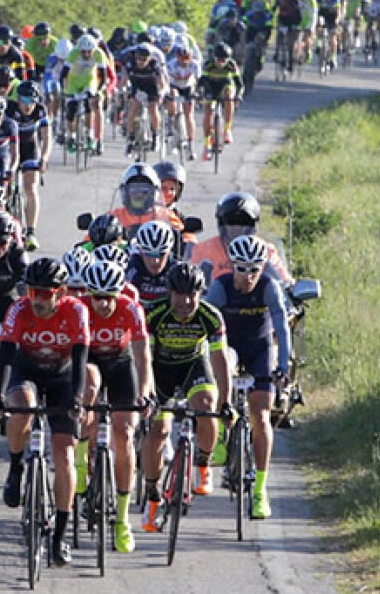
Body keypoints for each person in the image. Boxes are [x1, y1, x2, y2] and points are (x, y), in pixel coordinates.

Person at [0, 257, 89, 567]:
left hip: (63, 377)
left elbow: (80, 359)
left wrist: (77, 399)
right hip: (27, 371)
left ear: (61, 293)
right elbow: (5, 357)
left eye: (44, 294)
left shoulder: (76, 311)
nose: (36, 300)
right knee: (21, 406)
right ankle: (15, 467)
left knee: (64, 457)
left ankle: (60, 536)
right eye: (32, 292)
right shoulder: (18, 309)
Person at [140, 262, 231, 533]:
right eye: (180, 295)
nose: (186, 302)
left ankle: (203, 464)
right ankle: (152, 494)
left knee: (206, 404)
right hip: (161, 370)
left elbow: (220, 360)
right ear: (169, 293)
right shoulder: (154, 314)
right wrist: (147, 394)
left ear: (201, 293)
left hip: (194, 366)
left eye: (192, 295)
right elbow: (145, 358)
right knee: (159, 430)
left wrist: (226, 402)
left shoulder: (210, 316)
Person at [205, 236, 292, 519]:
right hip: (229, 345)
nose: (249, 276)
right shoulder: (221, 287)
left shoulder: (269, 287)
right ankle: (222, 432)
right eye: (242, 269)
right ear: (232, 266)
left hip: (259, 347)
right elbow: (205, 326)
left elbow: (281, 327)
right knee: (224, 368)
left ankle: (260, 491)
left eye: (255, 269)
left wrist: (283, 367)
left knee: (262, 416)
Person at [76, 260, 152, 552]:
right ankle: (81, 456)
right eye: (98, 296)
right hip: (90, 362)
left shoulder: (131, 308)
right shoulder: (79, 307)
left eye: (110, 297)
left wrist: (144, 393)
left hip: (121, 364)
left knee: (125, 433)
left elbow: (143, 356)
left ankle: (122, 519)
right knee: (90, 385)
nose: (104, 304)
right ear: (89, 293)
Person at [188, 191, 293, 283]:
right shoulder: (203, 249)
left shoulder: (266, 250)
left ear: (253, 225)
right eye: (231, 222)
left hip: (259, 299)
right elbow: (190, 282)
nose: (237, 227)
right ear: (221, 223)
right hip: (214, 299)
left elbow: (285, 283)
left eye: (244, 222)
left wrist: (291, 288)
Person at [5, 80, 51, 250]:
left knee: (31, 187)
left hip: (30, 148)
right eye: (24, 101)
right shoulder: (9, 109)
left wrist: (44, 158)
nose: (28, 106)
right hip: (10, 148)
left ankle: (31, 232)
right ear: (18, 100)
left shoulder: (40, 110)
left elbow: (46, 137)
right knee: (5, 187)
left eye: (32, 101)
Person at [61, 34, 109, 155]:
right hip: (73, 82)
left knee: (89, 103)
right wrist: (64, 90)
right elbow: (63, 75)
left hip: (89, 80)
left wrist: (98, 91)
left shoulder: (99, 54)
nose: (86, 54)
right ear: (79, 50)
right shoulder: (73, 53)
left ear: (94, 49)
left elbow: (103, 77)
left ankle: (89, 135)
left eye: (89, 52)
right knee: (71, 108)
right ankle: (71, 136)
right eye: (83, 52)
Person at [199, 43, 244, 155]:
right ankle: (207, 143)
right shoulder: (208, 64)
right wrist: (199, 94)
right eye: (218, 59)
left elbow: (240, 85)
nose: (221, 63)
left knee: (229, 96)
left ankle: (227, 130)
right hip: (211, 86)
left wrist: (239, 95)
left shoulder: (232, 65)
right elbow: (202, 82)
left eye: (224, 60)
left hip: (225, 85)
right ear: (214, 57)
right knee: (208, 112)